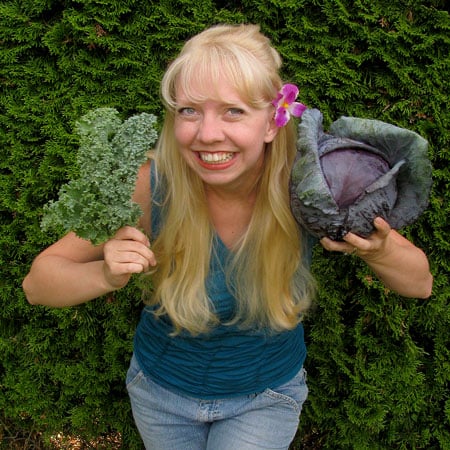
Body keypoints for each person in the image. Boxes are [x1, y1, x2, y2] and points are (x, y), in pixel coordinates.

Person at [22, 24, 433, 450]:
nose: (208, 133)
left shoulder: (309, 185)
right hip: (160, 393)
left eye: (233, 111)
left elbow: (419, 283)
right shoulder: (151, 185)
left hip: (264, 397)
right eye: (190, 111)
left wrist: (380, 250)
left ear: (273, 122)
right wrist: (104, 276)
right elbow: (38, 283)